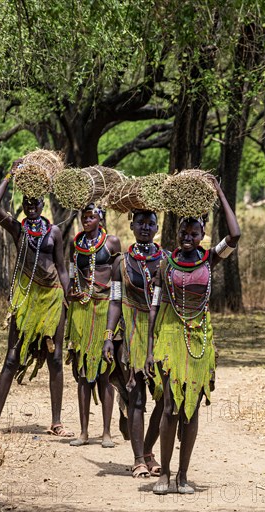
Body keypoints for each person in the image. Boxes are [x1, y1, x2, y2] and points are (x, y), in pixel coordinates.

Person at [145, 177, 241, 494]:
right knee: (171, 405)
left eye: (194, 233)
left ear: (203, 235)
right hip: (169, 338)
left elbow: (236, 234)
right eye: (184, 232)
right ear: (177, 233)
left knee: (192, 408)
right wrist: (148, 349)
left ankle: (183, 476)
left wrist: (219, 193)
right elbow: (155, 308)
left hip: (200, 340)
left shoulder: (209, 259)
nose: (188, 237)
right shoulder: (164, 264)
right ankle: (164, 475)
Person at [0, 160, 73, 437]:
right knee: (11, 358)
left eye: (36, 203)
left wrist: (68, 300)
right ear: (23, 204)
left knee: (55, 358)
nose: (32, 208)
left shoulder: (53, 232)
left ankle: (56, 422)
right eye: (27, 203)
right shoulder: (17, 229)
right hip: (27, 297)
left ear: (43, 203)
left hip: (53, 297)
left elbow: (63, 269)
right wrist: (10, 174)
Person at [103, 210, 165, 478]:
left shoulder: (166, 261)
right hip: (132, 335)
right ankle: (139, 459)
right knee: (137, 398)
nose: (145, 227)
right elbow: (115, 301)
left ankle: (149, 450)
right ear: (132, 225)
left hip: (160, 335)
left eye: (150, 223)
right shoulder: (121, 264)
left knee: (164, 399)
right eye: (140, 222)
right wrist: (108, 335)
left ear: (157, 227)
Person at [66, 204, 121, 447]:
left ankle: (107, 432)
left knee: (104, 371)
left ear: (100, 218)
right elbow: (71, 271)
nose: (87, 220)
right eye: (84, 217)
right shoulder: (75, 244)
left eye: (92, 216)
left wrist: (117, 304)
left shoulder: (112, 242)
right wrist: (71, 291)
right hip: (81, 309)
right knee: (82, 373)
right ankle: (84, 432)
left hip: (104, 308)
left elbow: (117, 275)